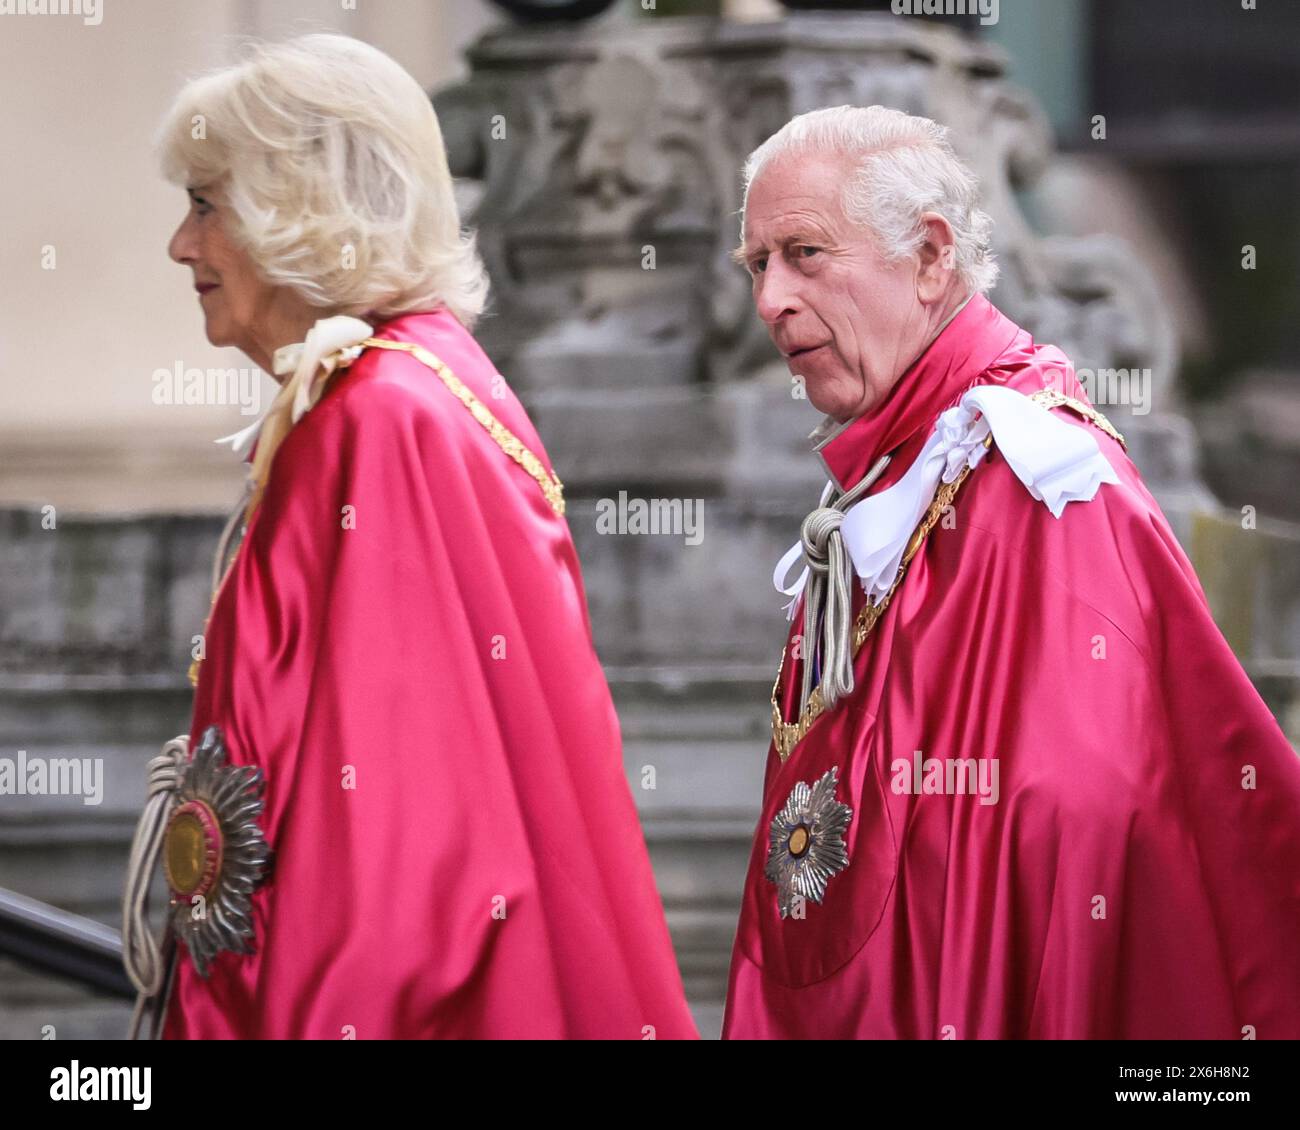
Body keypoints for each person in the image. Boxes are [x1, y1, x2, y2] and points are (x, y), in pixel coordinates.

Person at [121, 32, 697, 1040]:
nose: (181, 245)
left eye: (206, 204)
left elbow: (393, 852)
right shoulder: (413, 382)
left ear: (296, 207)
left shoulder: (376, 413)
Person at [721, 104, 1300, 1039]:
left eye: (804, 253)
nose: (769, 301)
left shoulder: (1047, 475)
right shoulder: (903, 467)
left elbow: (1079, 831)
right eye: (757, 265)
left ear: (930, 255)